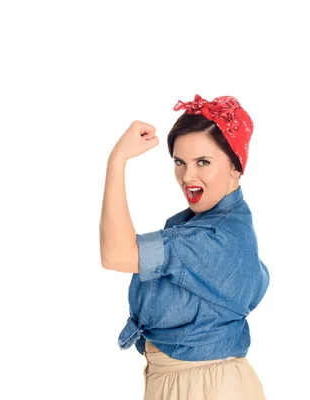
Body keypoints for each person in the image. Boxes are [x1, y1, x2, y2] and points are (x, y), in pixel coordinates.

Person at [99, 94, 270, 399]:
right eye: (179, 162)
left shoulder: (217, 238)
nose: (187, 176)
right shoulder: (193, 225)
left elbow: (116, 254)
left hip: (206, 389)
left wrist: (117, 160)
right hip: (187, 383)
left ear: (236, 166)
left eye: (203, 162)